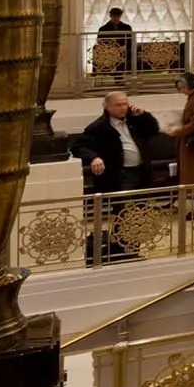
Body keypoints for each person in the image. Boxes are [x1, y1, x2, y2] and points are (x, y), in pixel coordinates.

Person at [70, 91, 161, 263]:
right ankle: (122, 251)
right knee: (125, 212)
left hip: (141, 172)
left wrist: (144, 115)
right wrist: (94, 157)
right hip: (121, 175)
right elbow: (79, 147)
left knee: (139, 212)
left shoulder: (136, 121)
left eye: (125, 104)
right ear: (107, 107)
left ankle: (130, 249)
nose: (123, 108)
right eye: (118, 105)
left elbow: (154, 130)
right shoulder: (98, 127)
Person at [96, 7, 134, 77]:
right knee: (114, 56)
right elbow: (100, 41)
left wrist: (124, 47)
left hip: (123, 50)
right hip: (109, 51)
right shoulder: (103, 29)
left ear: (120, 16)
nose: (116, 18)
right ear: (110, 16)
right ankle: (118, 77)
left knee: (120, 55)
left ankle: (117, 76)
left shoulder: (127, 27)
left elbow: (131, 40)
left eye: (118, 16)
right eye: (114, 16)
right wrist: (110, 48)